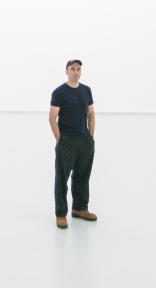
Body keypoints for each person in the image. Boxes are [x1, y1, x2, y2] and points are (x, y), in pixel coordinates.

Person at [49, 59, 97, 229]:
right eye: (72, 69)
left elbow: (91, 114)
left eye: (78, 69)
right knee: (62, 178)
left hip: (84, 140)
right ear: (66, 71)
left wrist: (90, 138)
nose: (76, 72)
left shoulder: (86, 90)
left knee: (83, 176)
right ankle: (61, 214)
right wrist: (60, 139)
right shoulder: (59, 92)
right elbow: (52, 117)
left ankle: (80, 208)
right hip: (67, 140)